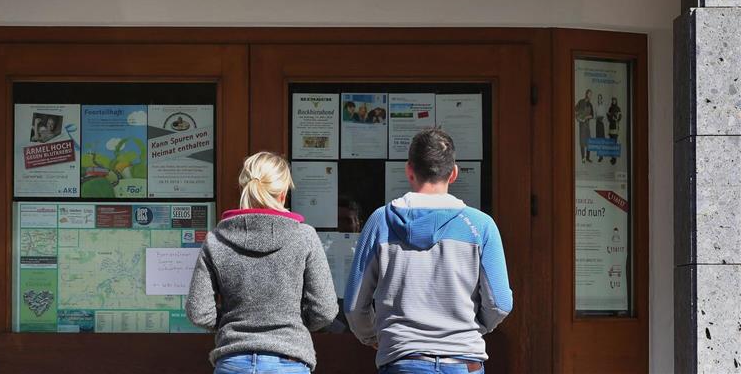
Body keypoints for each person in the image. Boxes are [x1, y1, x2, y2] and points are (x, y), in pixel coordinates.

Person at [344, 128, 512, 374]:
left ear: (409, 170)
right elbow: (500, 304)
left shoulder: (381, 222)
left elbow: (354, 305)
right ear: (453, 173)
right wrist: (471, 328)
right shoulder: (480, 226)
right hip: (464, 361)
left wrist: (373, 336)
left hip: (402, 359)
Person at [186, 152, 338, 373]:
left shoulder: (217, 239)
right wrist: (294, 323)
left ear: (242, 188)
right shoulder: (304, 237)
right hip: (289, 360)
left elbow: (199, 312)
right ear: (283, 194)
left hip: (233, 360)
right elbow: (324, 310)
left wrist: (230, 323)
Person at [575, 90, 594, 163]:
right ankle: (583, 158)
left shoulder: (590, 104)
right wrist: (578, 118)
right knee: (582, 141)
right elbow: (575, 110)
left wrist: (587, 117)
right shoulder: (581, 102)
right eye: (589, 94)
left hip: (587, 125)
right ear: (586, 94)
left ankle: (588, 157)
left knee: (588, 141)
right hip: (582, 125)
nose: (590, 96)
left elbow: (592, 115)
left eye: (591, 95)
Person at [607, 97, 622, 165]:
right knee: (611, 144)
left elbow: (620, 117)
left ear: (616, 101)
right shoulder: (610, 108)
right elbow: (608, 117)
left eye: (614, 100)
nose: (613, 101)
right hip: (611, 127)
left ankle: (614, 159)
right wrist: (610, 117)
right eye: (612, 100)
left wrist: (616, 119)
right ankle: (612, 158)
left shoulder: (618, 108)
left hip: (615, 127)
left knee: (615, 143)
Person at [594, 94, 607, 162]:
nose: (599, 99)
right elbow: (595, 115)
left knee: (601, 139)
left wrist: (602, 119)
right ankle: (599, 156)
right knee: (598, 139)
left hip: (601, 123)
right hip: (597, 123)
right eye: (598, 98)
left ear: (602, 99)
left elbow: (604, 115)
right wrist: (596, 118)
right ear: (597, 99)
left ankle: (602, 155)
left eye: (600, 98)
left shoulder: (603, 106)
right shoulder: (596, 106)